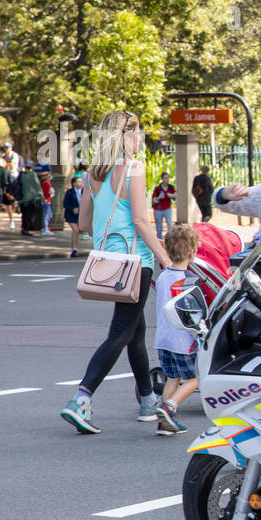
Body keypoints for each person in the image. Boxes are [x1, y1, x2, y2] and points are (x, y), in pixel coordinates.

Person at [61, 110, 173, 435]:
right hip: (135, 262)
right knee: (121, 332)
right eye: (137, 134)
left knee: (135, 332)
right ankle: (81, 397)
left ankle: (148, 400)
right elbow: (140, 221)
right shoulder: (133, 169)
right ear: (124, 137)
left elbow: (83, 225)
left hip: (107, 263)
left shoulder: (92, 174)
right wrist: (164, 255)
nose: (140, 140)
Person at [152, 223, 201, 436]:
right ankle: (169, 406)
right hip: (182, 340)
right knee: (197, 378)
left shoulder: (163, 277)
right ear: (192, 253)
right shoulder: (187, 282)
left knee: (172, 377)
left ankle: (165, 423)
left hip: (163, 339)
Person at [18, 158, 44, 236]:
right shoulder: (33, 174)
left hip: (22, 199)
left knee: (24, 215)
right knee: (29, 215)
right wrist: (41, 196)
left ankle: (23, 228)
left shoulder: (21, 175)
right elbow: (37, 186)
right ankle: (26, 229)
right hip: (31, 198)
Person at [64, 173, 84, 257]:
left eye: (81, 182)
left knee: (78, 231)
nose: (80, 183)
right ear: (74, 183)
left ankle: (75, 248)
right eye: (78, 182)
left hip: (80, 215)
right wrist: (73, 209)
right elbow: (65, 204)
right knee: (75, 230)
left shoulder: (84, 191)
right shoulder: (69, 192)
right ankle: (74, 250)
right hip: (71, 215)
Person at [151, 172, 176, 239]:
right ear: (162, 178)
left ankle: (170, 240)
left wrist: (171, 195)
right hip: (158, 210)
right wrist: (159, 197)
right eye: (165, 178)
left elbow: (175, 197)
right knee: (159, 228)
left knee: (170, 226)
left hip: (167, 209)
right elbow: (153, 201)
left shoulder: (171, 187)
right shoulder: (157, 189)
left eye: (168, 178)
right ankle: (159, 241)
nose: (167, 179)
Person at [38, 166, 54, 236]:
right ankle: (45, 228)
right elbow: (52, 192)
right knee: (46, 215)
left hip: (44, 201)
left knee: (49, 214)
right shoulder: (47, 184)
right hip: (47, 201)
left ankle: (45, 227)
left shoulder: (41, 184)